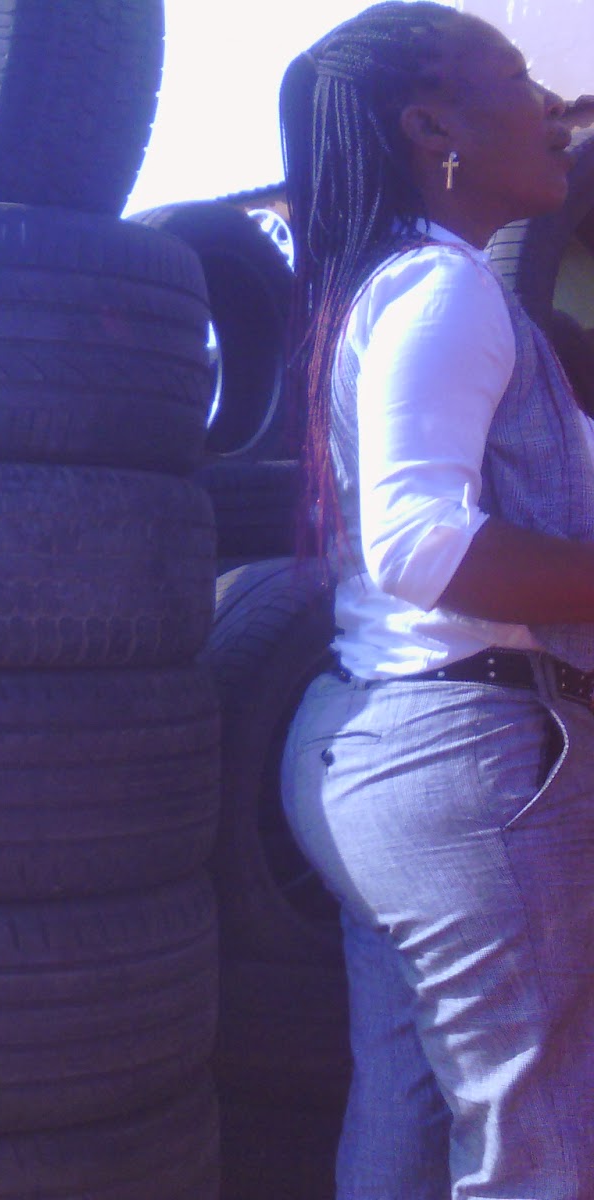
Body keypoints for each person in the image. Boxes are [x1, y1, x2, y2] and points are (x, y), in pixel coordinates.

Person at [275, 4, 594, 1197]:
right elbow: (420, 544)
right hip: (471, 766)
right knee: (539, 1144)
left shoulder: (388, 288)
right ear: (432, 126)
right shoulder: (440, 290)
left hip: (378, 752)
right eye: (519, 76)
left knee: (408, 1121)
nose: (557, 104)